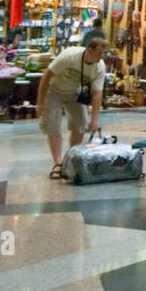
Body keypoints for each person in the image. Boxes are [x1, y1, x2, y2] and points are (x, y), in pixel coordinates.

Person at [39, 28, 107, 179]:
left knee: (80, 123)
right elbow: (46, 76)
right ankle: (58, 163)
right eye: (100, 53)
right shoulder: (69, 56)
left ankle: (71, 158)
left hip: (74, 93)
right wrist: (40, 103)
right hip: (54, 91)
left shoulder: (99, 66)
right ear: (90, 50)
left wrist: (95, 120)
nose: (102, 57)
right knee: (53, 124)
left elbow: (97, 94)